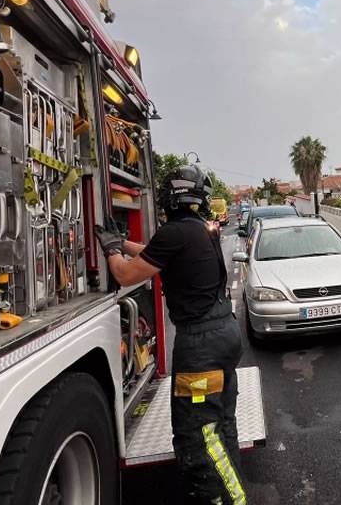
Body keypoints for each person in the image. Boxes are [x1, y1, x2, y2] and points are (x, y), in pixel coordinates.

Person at [94, 164, 246, 505]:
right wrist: (123, 242)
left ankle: (223, 500)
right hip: (224, 334)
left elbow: (126, 275)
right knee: (222, 425)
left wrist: (110, 250)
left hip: (201, 349)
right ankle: (233, 495)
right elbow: (153, 251)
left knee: (199, 435)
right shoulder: (198, 230)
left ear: (170, 196)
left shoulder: (175, 232)